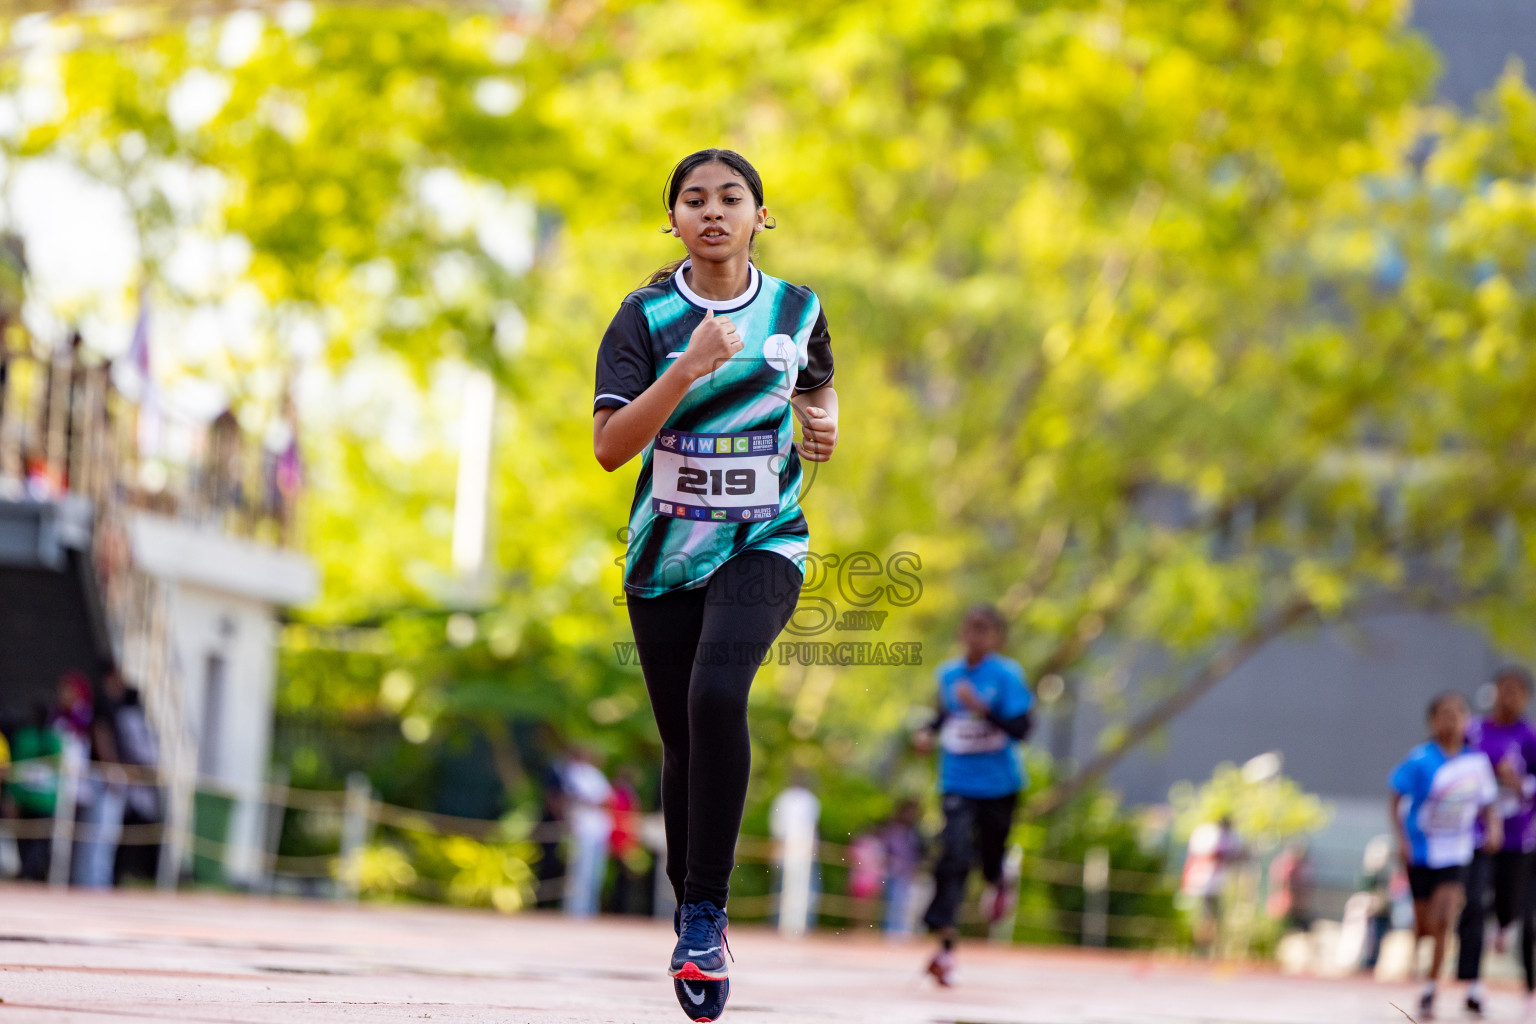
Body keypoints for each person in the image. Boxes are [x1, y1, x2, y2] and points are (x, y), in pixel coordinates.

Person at [592, 147, 838, 1023]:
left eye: (730, 198)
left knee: (714, 696)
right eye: (693, 200)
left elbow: (816, 378)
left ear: (760, 216)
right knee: (681, 742)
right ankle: (688, 906)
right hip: (665, 556)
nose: (712, 211)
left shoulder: (798, 308)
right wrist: (689, 366)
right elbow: (612, 448)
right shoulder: (646, 317)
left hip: (766, 541)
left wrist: (823, 420)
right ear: (673, 222)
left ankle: (705, 915)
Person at [913, 604, 1034, 987]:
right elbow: (946, 714)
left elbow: (1023, 729)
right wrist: (927, 731)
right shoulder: (948, 674)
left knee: (988, 860)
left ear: (997, 637)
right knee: (953, 854)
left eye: (984, 629)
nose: (975, 635)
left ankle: (1000, 877)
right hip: (958, 781)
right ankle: (945, 948)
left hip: (999, 785)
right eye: (970, 627)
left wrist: (983, 710)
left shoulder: (1006, 675)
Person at [1390, 691, 1501, 1020]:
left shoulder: (1476, 764)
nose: (1451, 720)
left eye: (1458, 714)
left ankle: (1429, 988)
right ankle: (1421, 952)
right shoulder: (1420, 759)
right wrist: (1401, 840)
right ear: (1433, 721)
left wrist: (1493, 828)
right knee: (1425, 924)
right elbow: (1394, 798)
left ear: (1467, 720)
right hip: (1422, 851)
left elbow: (1488, 803)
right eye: (1444, 714)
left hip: (1457, 851)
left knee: (1443, 919)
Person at [1457, 665, 1536, 1015]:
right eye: (1504, 689)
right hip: (1475, 834)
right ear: (1493, 692)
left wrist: (1517, 782)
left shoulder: (1529, 738)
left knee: (1509, 904)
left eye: (1517, 691)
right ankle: (1471, 982)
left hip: (1517, 836)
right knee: (1471, 902)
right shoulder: (1472, 732)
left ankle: (1504, 925)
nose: (1509, 696)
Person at [561, 747, 614, 918]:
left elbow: (606, 799)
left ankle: (590, 910)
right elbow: (579, 797)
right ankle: (577, 910)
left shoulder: (594, 773)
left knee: (594, 874)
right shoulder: (572, 772)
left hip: (598, 830)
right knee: (580, 872)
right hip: (582, 828)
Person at [878, 798, 926, 937]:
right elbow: (887, 851)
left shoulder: (913, 832)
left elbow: (915, 853)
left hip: (908, 874)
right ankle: (891, 932)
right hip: (894, 873)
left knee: (906, 906)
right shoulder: (894, 831)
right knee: (894, 905)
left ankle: (902, 932)